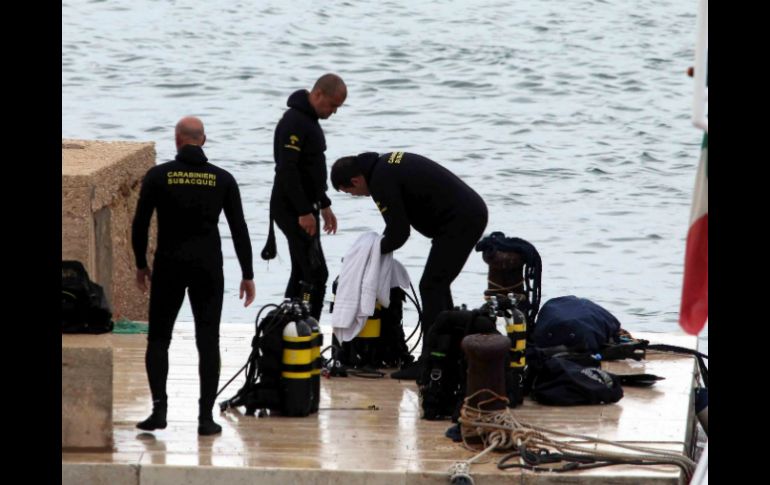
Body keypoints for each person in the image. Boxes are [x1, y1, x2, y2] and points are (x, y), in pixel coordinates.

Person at [132, 116, 256, 435]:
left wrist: (141, 264)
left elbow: (140, 224)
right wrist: (247, 273)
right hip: (208, 267)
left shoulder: (159, 176)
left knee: (159, 338)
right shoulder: (223, 179)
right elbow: (239, 228)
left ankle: (159, 410)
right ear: (204, 140)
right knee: (208, 340)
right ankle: (205, 418)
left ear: (177, 140)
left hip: (169, 265)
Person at [330, 151, 488, 379]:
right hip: (465, 215)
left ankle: (429, 361)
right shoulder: (382, 167)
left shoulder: (379, 181)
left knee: (431, 286)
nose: (357, 196)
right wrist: (377, 248)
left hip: (460, 221)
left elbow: (399, 234)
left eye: (350, 192)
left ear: (355, 180)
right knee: (438, 285)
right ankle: (447, 354)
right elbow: (396, 227)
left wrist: (366, 254)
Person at [262, 73, 347, 320]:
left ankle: (292, 326)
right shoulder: (294, 122)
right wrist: (302, 210)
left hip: (306, 206)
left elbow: (311, 169)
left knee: (303, 271)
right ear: (318, 94)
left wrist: (324, 204)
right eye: (332, 105)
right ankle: (306, 327)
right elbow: (287, 169)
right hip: (292, 207)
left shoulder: (309, 121)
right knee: (315, 273)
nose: (334, 111)